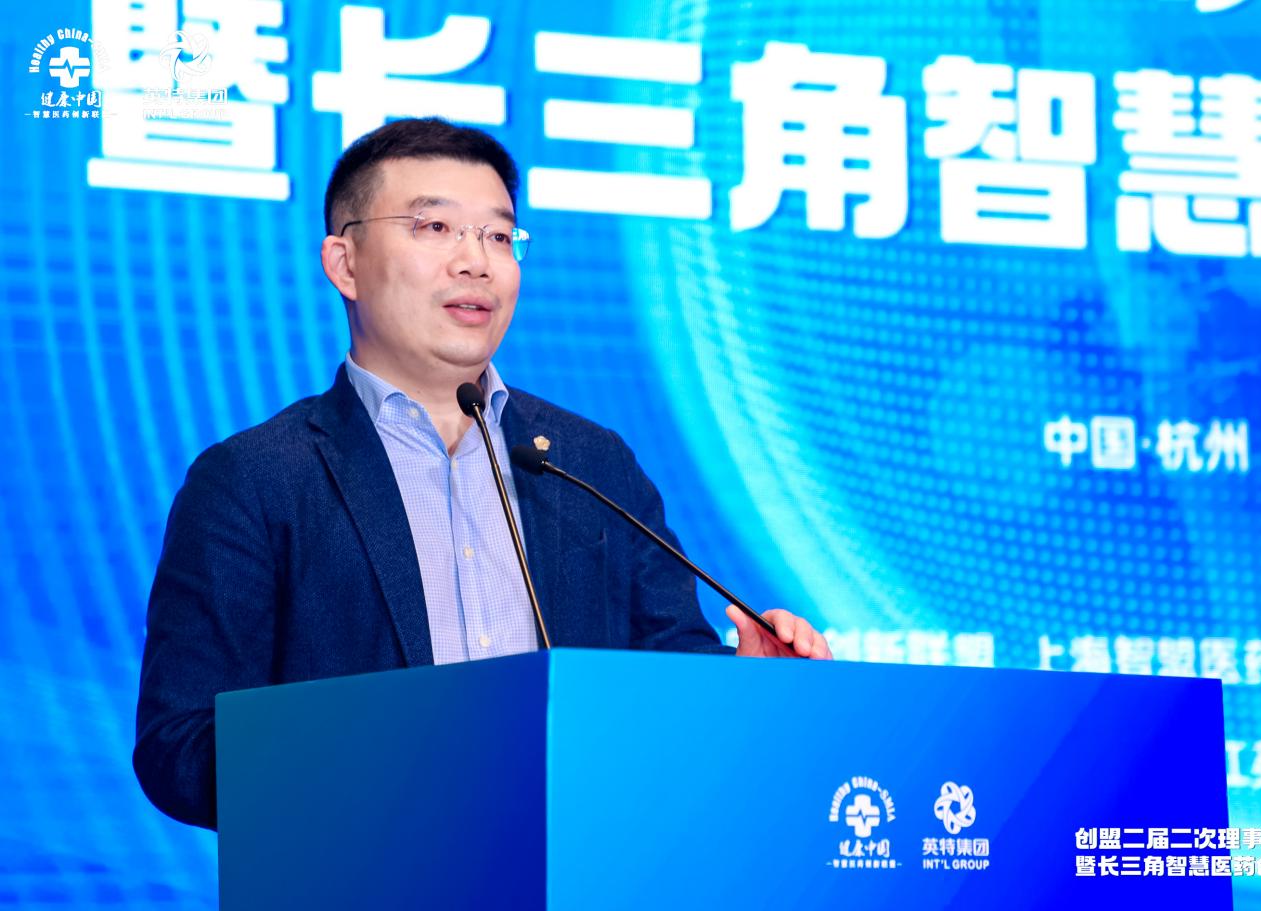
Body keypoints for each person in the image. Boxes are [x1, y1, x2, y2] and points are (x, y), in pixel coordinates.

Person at [134, 117, 830, 830]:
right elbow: (178, 746)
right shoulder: (255, 479)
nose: (476, 262)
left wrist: (742, 685)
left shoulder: (589, 462)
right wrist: (380, 757)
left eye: (499, 236)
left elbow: (661, 678)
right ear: (345, 264)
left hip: (581, 866)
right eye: (435, 228)